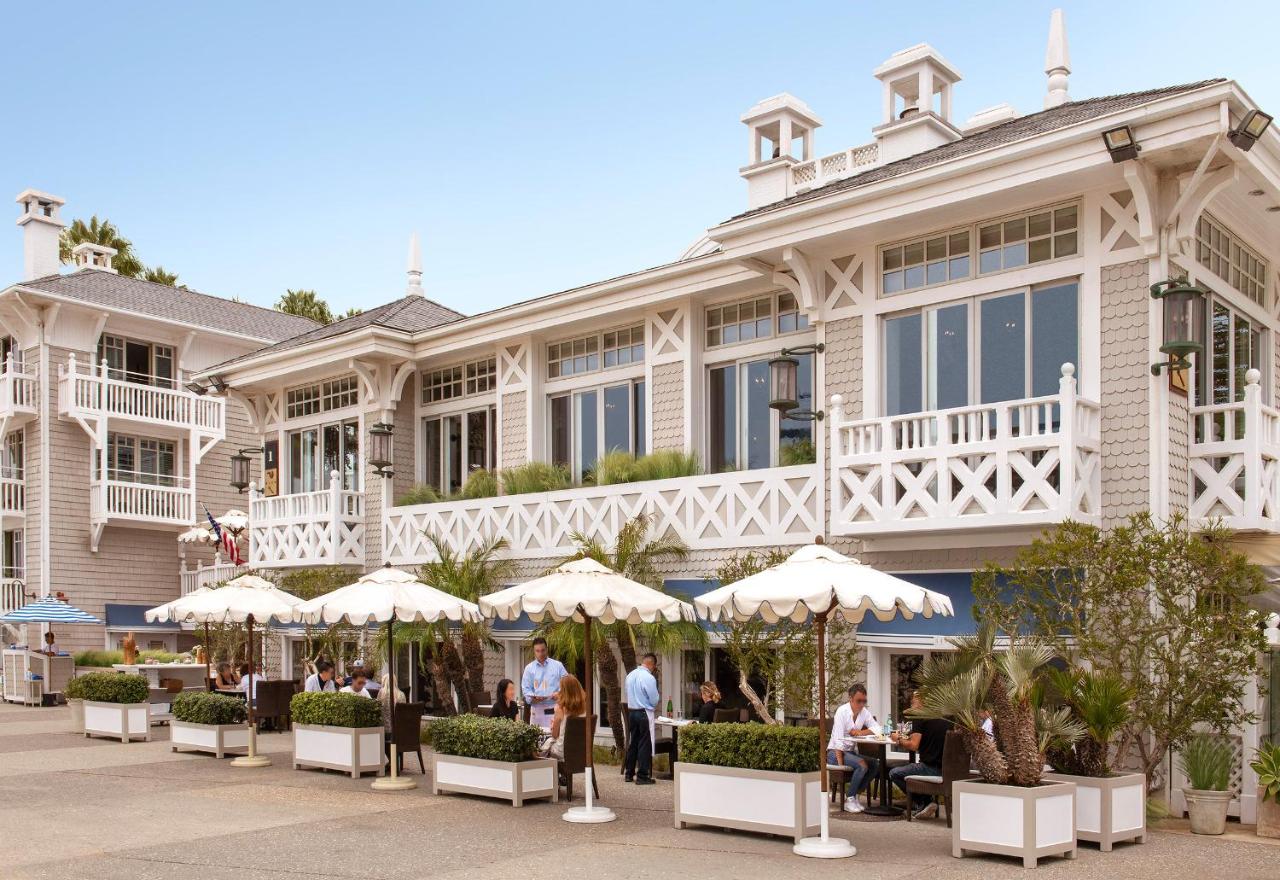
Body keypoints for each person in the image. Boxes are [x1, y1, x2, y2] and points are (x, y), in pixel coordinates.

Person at [889, 690, 953, 819]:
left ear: (922, 701)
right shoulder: (947, 717)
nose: (912, 701)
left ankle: (924, 802)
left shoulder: (919, 716)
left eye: (914, 699)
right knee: (911, 767)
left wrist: (898, 739)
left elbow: (914, 745)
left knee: (894, 773)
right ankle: (924, 802)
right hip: (949, 770)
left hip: (930, 768)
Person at [827, 683, 880, 813]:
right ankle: (850, 799)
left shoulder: (864, 712)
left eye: (864, 701)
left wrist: (861, 732)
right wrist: (841, 767)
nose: (862, 704)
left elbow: (877, 728)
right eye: (859, 701)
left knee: (874, 764)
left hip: (850, 753)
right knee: (862, 765)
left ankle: (853, 795)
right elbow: (838, 740)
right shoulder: (842, 712)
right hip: (835, 753)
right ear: (850, 699)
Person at [623, 652, 659, 785]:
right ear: (652, 665)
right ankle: (643, 775)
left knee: (634, 742)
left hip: (631, 711)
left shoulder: (630, 675)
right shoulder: (648, 677)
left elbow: (627, 693)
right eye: (654, 667)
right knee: (644, 743)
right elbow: (654, 699)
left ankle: (629, 773)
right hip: (644, 712)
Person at [520, 637, 566, 731]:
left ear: (547, 649)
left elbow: (568, 685)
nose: (540, 653)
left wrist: (559, 694)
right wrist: (532, 698)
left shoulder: (558, 666)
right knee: (536, 739)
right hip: (536, 710)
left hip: (554, 708)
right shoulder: (529, 668)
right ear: (534, 651)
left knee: (554, 738)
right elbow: (526, 689)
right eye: (537, 651)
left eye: (543, 650)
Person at [542, 673, 586, 761]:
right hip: (581, 751)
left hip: (562, 752)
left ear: (564, 691)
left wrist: (553, 725)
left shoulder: (560, 709)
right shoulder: (584, 709)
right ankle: (564, 775)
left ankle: (551, 773)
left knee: (541, 747)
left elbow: (554, 735)